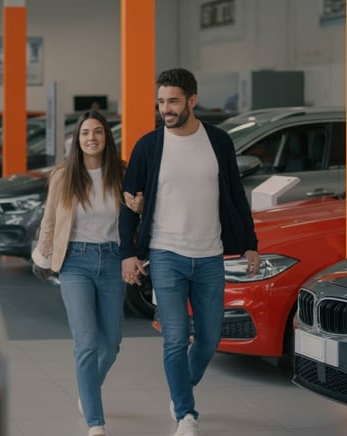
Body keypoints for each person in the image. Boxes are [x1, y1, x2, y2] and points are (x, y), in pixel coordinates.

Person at [118, 68, 260, 436]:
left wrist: (249, 244)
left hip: (210, 255)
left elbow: (234, 197)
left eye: (173, 101)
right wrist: (127, 253)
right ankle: (186, 413)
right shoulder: (148, 146)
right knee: (175, 337)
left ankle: (181, 387)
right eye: (161, 101)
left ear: (192, 101)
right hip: (166, 254)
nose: (165, 108)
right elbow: (127, 202)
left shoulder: (219, 142)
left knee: (210, 339)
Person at [31, 110, 126, 436]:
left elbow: (132, 220)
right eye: (85, 133)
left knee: (110, 345)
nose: (91, 138)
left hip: (112, 260)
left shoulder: (120, 174)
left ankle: (88, 391)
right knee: (85, 342)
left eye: (97, 132)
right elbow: (50, 220)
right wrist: (42, 257)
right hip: (75, 262)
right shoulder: (63, 176)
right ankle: (95, 422)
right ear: (77, 139)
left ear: (106, 137)